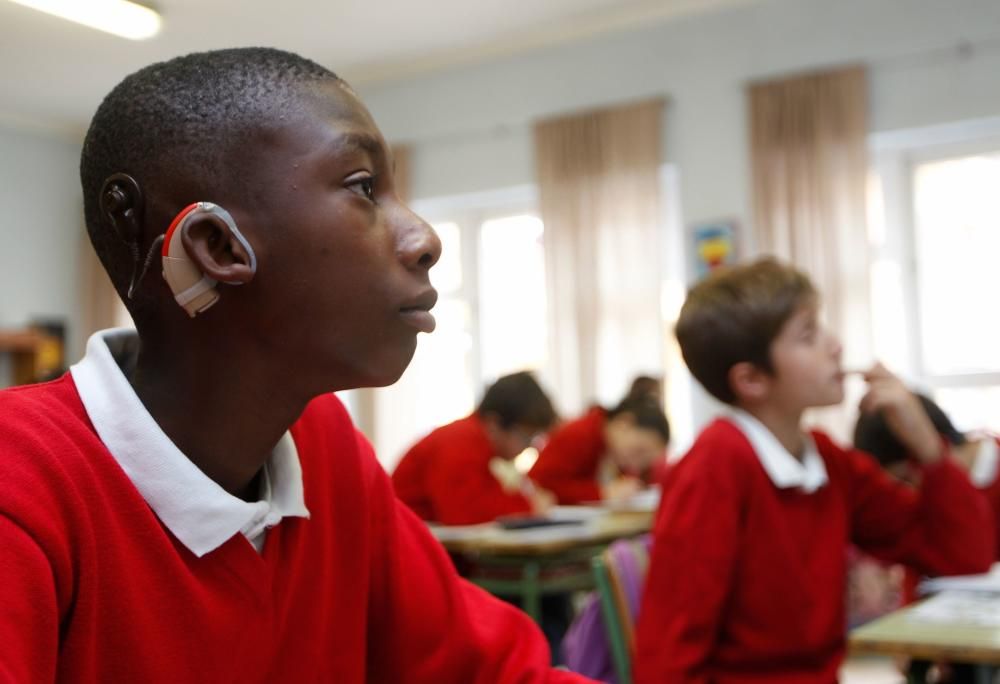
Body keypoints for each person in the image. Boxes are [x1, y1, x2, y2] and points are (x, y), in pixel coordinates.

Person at [0, 48, 593, 683]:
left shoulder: (325, 448)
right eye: (363, 186)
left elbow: (491, 672)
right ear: (218, 248)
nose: (424, 237)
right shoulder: (23, 485)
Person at [633, 257, 994, 684]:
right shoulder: (714, 468)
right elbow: (668, 662)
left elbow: (963, 555)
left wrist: (929, 449)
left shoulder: (825, 460)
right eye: (808, 335)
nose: (835, 344)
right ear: (751, 380)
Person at [854, 395, 1000, 684]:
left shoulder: (946, 481)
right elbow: (922, 567)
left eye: (906, 479)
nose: (906, 491)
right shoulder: (925, 493)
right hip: (953, 636)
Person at [392, 371, 559, 525]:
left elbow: (485, 497)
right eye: (526, 437)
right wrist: (530, 506)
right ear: (494, 424)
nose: (530, 446)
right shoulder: (459, 443)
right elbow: (465, 513)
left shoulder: (474, 442)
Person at [530, 395, 669, 505]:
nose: (636, 465)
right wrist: (602, 493)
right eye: (639, 451)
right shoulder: (580, 434)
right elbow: (540, 485)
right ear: (624, 423)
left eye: (645, 462)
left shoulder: (613, 452)